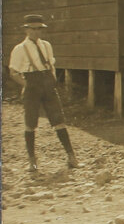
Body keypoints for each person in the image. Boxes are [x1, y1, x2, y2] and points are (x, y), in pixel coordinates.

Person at [8, 14, 78, 172]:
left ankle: (71, 157)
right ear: (26, 30)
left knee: (59, 120)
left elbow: (51, 65)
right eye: (34, 29)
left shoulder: (47, 45)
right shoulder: (20, 49)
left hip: (48, 84)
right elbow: (13, 72)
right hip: (32, 84)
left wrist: (51, 81)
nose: (37, 32)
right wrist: (27, 85)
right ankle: (32, 161)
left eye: (40, 29)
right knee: (30, 123)